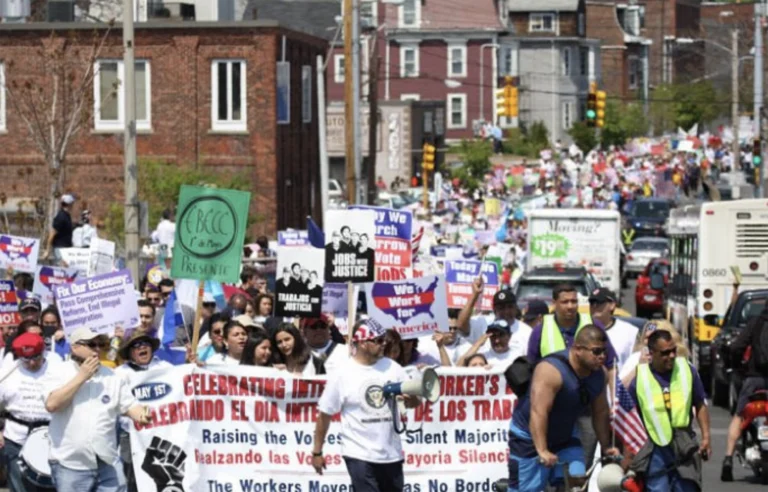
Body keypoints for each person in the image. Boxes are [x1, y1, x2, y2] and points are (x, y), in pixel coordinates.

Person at [312, 319, 420, 491]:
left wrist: (411, 399)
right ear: (362, 343)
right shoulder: (342, 373)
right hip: (358, 454)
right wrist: (317, 452)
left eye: (383, 339)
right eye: (377, 340)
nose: (383, 344)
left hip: (391, 454)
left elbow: (415, 402)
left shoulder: (393, 368)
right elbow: (325, 414)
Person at [507, 325, 619, 491]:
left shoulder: (598, 374)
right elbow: (538, 412)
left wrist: (605, 446)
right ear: (578, 349)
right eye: (596, 351)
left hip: (565, 436)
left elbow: (600, 412)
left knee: (577, 482)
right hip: (529, 438)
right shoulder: (550, 371)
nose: (602, 357)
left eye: (605, 351)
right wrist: (542, 450)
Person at [43, 327, 152, 491]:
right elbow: (52, 404)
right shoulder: (59, 371)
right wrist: (81, 377)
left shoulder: (112, 376)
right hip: (71, 465)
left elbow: (129, 405)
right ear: (74, 347)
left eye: (100, 344)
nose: (97, 349)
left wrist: (142, 415)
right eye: (91, 344)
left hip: (107, 461)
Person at [627, 330, 710, 492]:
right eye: (665, 353)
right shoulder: (640, 379)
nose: (671, 356)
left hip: (684, 444)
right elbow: (630, 417)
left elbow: (700, 404)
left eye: (673, 351)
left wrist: (706, 437)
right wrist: (629, 455)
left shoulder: (687, 371)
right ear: (651, 353)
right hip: (654, 448)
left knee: (687, 487)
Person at [114, 332, 171, 492]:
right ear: (130, 352)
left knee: (161, 477)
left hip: (161, 433)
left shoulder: (166, 368)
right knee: (131, 479)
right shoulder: (120, 373)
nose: (142, 347)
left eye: (145, 343)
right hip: (130, 435)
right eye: (136, 345)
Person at [0, 333, 54, 492]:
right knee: (18, 486)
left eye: (36, 357)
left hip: (49, 438)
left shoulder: (57, 369)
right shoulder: (7, 372)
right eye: (25, 359)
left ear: (43, 351)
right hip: (16, 438)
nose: (31, 363)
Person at [721, 303, 768, 481]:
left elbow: (736, 347)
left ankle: (727, 459)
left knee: (739, 416)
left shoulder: (756, 322)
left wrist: (736, 365)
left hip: (754, 380)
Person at [588, 287, 638, 370]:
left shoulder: (630, 332)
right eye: (592, 302)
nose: (594, 306)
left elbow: (636, 364)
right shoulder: (584, 329)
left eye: (599, 302)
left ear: (612, 305)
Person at [43, 194, 75, 262]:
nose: (73, 206)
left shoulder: (67, 216)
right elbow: (52, 234)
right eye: (72, 203)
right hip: (60, 249)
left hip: (66, 249)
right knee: (61, 268)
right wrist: (47, 250)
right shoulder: (61, 217)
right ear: (69, 204)